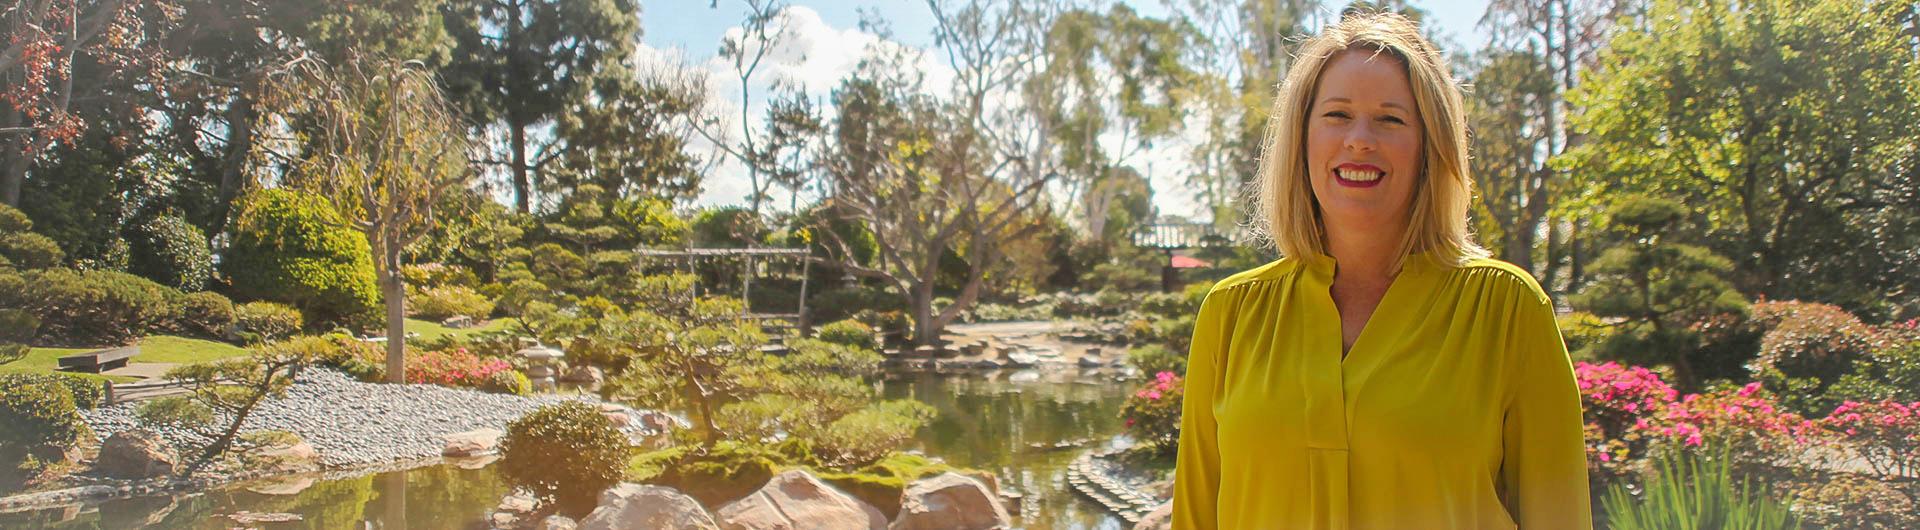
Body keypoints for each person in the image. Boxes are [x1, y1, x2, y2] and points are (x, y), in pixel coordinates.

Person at [1170, 12, 1592, 530]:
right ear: (1302, 141)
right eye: (1337, 115)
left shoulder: (1506, 309)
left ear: (1429, 147)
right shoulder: (1233, 314)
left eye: (1390, 119)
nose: (1360, 140)